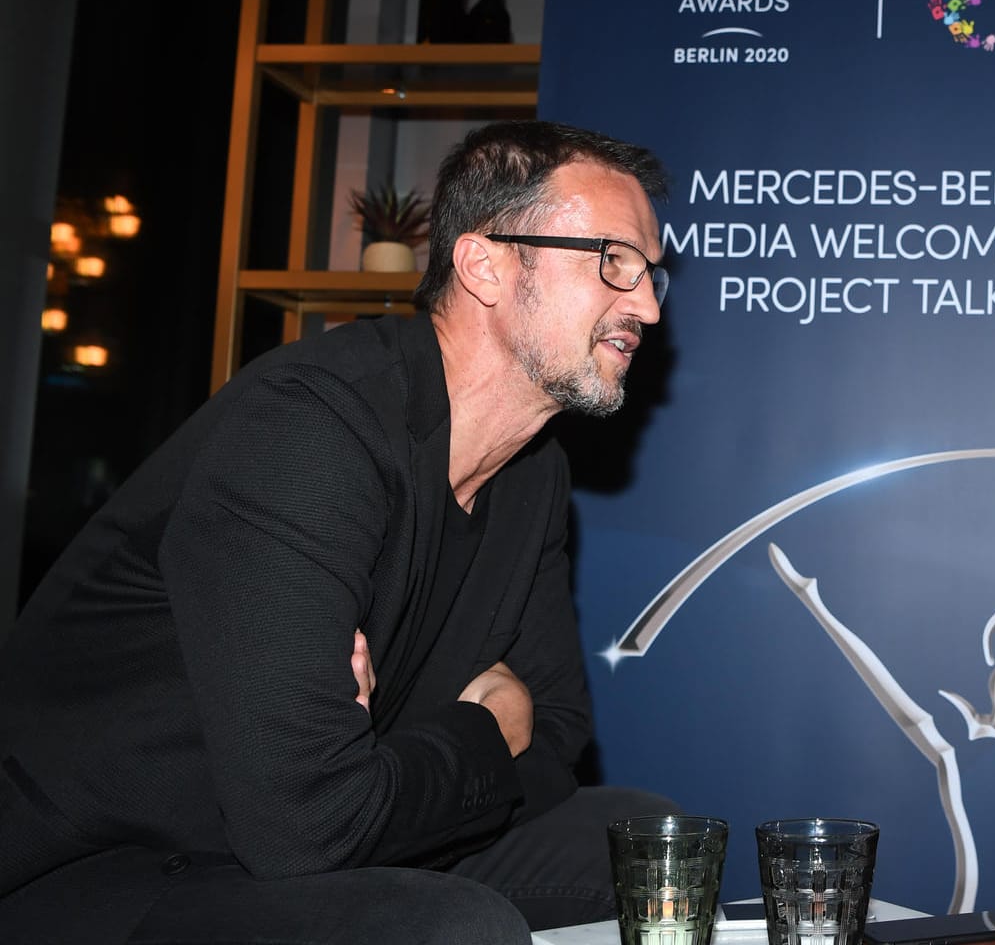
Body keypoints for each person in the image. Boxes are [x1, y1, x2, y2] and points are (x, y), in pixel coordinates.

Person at [0, 120, 678, 943]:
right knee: (452, 929)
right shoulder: (313, 428)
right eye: (612, 260)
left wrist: (381, 770)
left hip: (332, 837)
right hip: (108, 868)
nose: (643, 302)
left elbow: (559, 736)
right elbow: (304, 827)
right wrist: (483, 728)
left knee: (649, 843)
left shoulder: (535, 475)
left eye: (649, 273)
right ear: (485, 265)